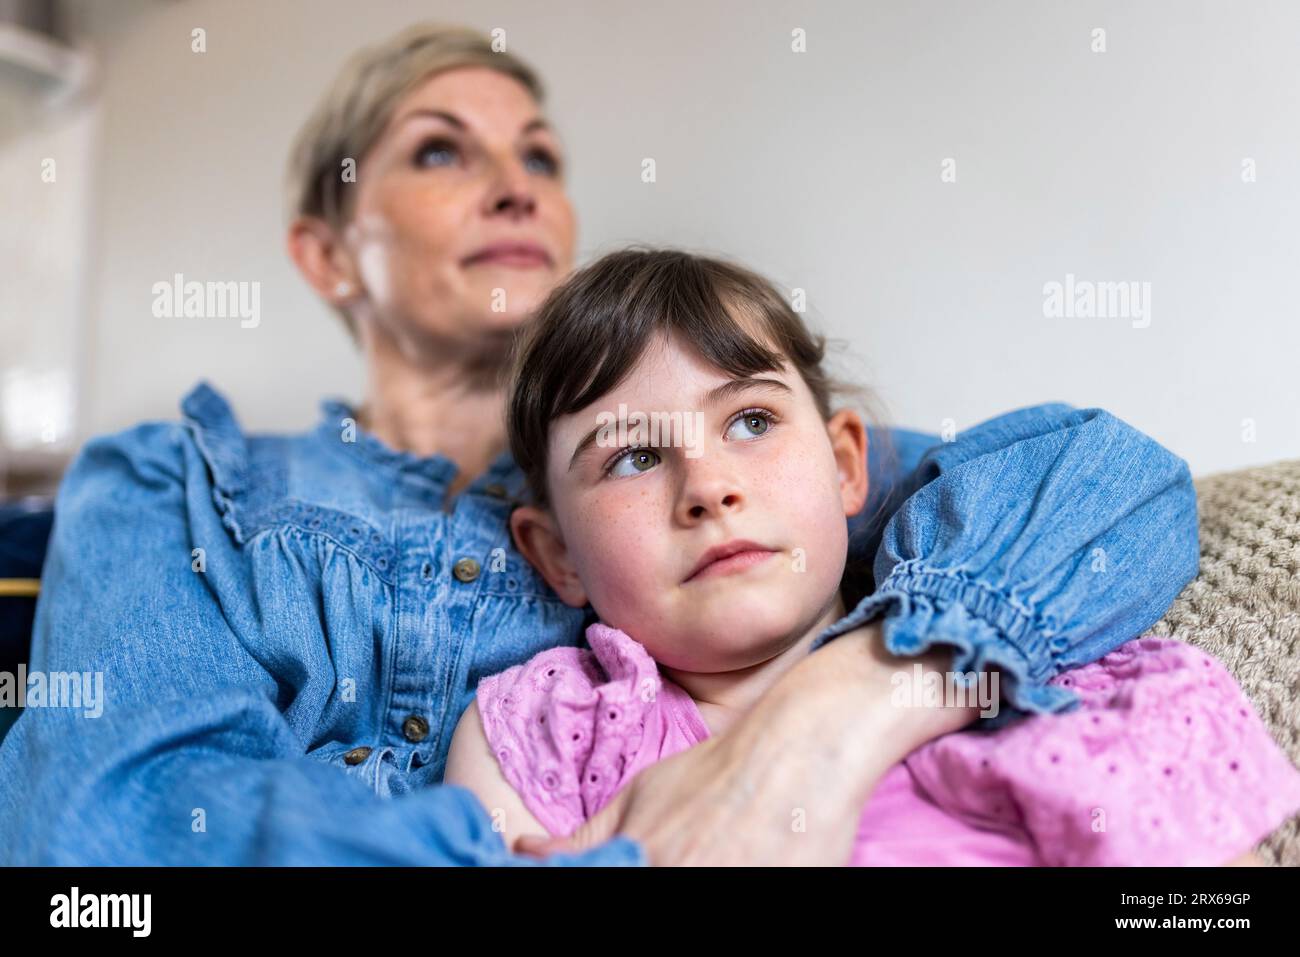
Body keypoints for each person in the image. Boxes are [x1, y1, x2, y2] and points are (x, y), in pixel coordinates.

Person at [0, 25, 1197, 865]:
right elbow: (117, 833)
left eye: (541, 157)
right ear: (324, 252)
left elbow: (1113, 489)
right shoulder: (182, 483)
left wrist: (829, 718)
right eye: (440, 150)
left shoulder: (740, 468)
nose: (517, 188)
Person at [444, 249, 1293, 864]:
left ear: (847, 463)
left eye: (750, 421)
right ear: (555, 554)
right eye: (632, 455)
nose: (706, 486)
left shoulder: (1035, 688)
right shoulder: (548, 726)